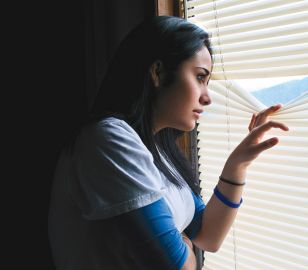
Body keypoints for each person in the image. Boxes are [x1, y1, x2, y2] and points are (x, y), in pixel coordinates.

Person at [48, 15, 288, 270]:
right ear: (158, 72)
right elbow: (180, 267)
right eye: (199, 77)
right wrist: (184, 246)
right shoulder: (109, 140)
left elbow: (208, 236)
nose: (207, 98)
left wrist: (237, 164)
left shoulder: (156, 150)